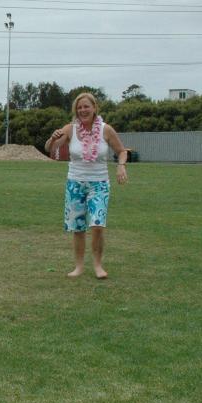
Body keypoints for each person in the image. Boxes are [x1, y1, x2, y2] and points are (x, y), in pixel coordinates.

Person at [44, 92, 130, 278]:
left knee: (98, 225)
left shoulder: (106, 130)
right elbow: (50, 148)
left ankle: (98, 266)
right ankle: (79, 267)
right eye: (79, 107)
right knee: (78, 227)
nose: (83, 110)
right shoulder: (70, 129)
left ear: (94, 108)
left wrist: (121, 166)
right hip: (75, 183)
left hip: (99, 183)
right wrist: (52, 139)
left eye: (86, 106)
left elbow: (121, 151)